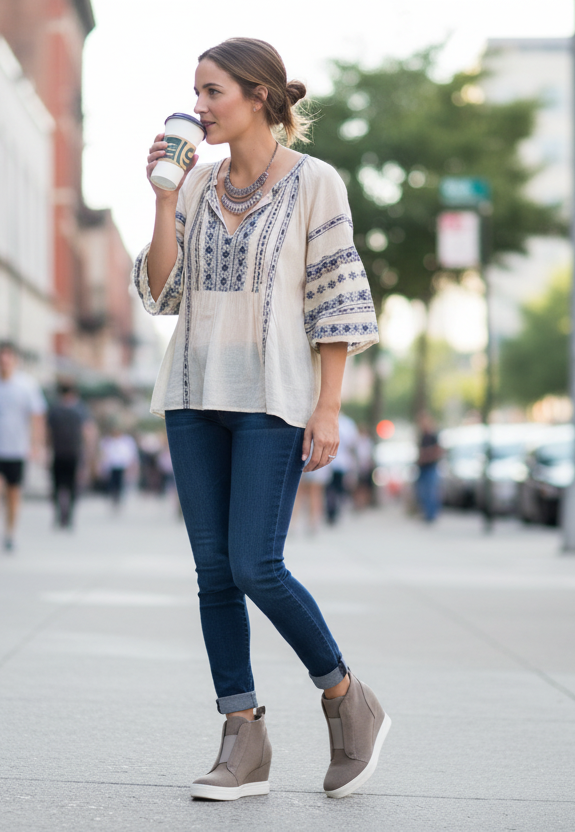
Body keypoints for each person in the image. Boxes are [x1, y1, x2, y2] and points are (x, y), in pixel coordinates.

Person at [134, 38, 388, 801]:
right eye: (196, 92)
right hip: (193, 395)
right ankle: (242, 738)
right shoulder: (197, 183)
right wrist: (163, 198)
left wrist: (328, 407)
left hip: (274, 400)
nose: (199, 107)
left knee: (256, 565)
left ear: (259, 97)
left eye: (212, 91)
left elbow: (336, 298)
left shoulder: (316, 182)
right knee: (214, 574)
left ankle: (346, 697)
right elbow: (161, 294)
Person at [0, 341, 46, 553]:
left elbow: (37, 417)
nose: (4, 363)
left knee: (13, 494)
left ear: (14, 361)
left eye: (8, 359)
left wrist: (36, 444)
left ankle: (10, 533)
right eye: (0, 359)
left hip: (17, 449)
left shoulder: (27, 385)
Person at [46, 380, 89, 529]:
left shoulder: (54, 410)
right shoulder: (80, 410)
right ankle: (67, 516)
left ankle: (60, 515)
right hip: (72, 453)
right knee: (70, 487)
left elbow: (48, 433)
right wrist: (88, 453)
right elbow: (87, 432)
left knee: (58, 486)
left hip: (59, 453)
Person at [325, 413, 359, 525]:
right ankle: (333, 511)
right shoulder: (347, 423)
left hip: (336, 462)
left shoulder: (346, 423)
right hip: (336, 463)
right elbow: (352, 444)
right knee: (335, 489)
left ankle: (333, 511)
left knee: (333, 489)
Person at [97, 425, 139, 512]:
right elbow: (104, 454)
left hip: (122, 466)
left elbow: (130, 454)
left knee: (120, 484)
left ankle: (118, 499)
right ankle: (113, 498)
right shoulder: (108, 441)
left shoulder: (126, 441)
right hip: (112, 466)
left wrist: (131, 466)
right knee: (112, 484)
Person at [415, 412, 443, 523]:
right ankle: (427, 513)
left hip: (430, 467)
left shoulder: (433, 436)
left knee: (431, 491)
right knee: (423, 491)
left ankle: (431, 514)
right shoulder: (422, 436)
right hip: (422, 467)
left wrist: (426, 455)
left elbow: (438, 450)